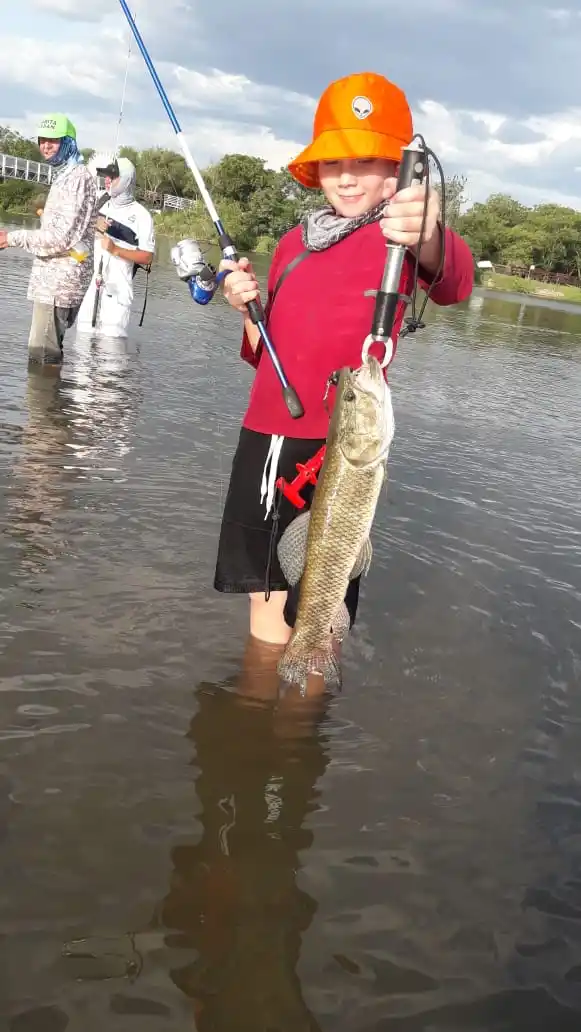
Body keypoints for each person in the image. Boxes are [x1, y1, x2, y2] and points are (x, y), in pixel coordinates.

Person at [215, 71, 475, 652]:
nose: (348, 176)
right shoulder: (292, 242)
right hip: (264, 436)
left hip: (339, 446)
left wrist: (428, 231)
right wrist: (246, 309)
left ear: (398, 171)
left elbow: (454, 283)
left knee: (321, 605)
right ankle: (261, 706)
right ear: (316, 169)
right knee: (263, 600)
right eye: (333, 162)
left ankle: (305, 694)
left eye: (366, 160)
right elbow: (265, 355)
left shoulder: (400, 237)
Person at [0, 113, 97, 366]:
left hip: (58, 286)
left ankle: (45, 394)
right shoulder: (66, 175)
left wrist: (12, 238)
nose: (45, 146)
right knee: (47, 357)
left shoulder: (77, 178)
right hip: (54, 283)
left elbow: (60, 237)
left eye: (53, 141)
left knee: (42, 357)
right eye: (42, 140)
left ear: (68, 142)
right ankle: (54, 393)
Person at [76, 155, 155, 339]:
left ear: (126, 180)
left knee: (112, 352)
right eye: (106, 176)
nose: (107, 180)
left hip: (118, 294)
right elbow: (76, 234)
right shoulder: (98, 202)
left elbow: (147, 257)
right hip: (89, 290)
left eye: (113, 176)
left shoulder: (142, 216)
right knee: (81, 350)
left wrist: (115, 250)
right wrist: (93, 224)